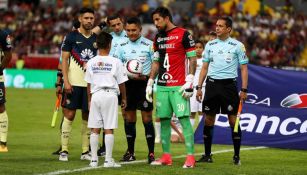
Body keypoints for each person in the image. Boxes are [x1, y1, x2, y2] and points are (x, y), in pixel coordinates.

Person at [146, 7, 197, 168]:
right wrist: (150, 81)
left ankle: (190, 157)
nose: (155, 23)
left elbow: (192, 59)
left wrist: (190, 79)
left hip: (179, 86)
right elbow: (156, 61)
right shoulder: (157, 37)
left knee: (184, 120)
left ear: (166, 18)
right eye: (154, 20)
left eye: (157, 20)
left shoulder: (184, 34)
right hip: (162, 87)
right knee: (164, 121)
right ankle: (167, 156)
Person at [196, 16, 248, 165]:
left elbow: (244, 69)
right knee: (208, 119)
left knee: (233, 121)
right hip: (212, 86)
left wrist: (244, 89)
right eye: (216, 25)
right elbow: (204, 67)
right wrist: (199, 87)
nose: (217, 28)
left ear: (228, 29)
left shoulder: (238, 46)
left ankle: (236, 156)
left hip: (229, 87)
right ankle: (207, 155)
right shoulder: (210, 45)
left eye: (220, 26)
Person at [113, 17, 155, 164]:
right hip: (128, 86)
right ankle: (130, 152)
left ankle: (151, 153)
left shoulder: (149, 45)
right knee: (129, 118)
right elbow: (117, 66)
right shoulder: (121, 45)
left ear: (140, 29)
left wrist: (148, 79)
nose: (131, 33)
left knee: (147, 119)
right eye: (128, 30)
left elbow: (156, 66)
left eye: (134, 30)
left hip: (144, 86)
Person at [59, 7, 97, 161]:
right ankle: (64, 150)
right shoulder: (71, 37)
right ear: (80, 19)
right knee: (69, 114)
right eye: (86, 18)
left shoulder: (96, 39)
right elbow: (64, 60)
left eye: (91, 18)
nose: (89, 21)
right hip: (73, 83)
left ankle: (85, 151)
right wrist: (65, 81)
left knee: (87, 117)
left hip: (90, 85)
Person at [85, 31, 128, 168]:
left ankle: (93, 160)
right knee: (109, 128)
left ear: (97, 45)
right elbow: (121, 82)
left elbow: (88, 83)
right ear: (110, 44)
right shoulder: (116, 61)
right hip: (110, 95)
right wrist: (124, 98)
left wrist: (89, 100)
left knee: (94, 128)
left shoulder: (91, 62)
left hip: (96, 95)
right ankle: (108, 160)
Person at [96, 13, 127, 157]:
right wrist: (102, 24)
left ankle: (130, 148)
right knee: (103, 114)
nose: (116, 27)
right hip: (108, 81)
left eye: (118, 24)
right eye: (113, 25)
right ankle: (103, 148)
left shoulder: (131, 36)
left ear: (123, 22)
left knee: (128, 115)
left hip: (125, 80)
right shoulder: (107, 38)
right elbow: (92, 38)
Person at [190, 33, 217, 128]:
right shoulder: (190, 60)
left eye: (200, 47)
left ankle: (201, 134)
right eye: (196, 47)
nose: (198, 49)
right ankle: (190, 134)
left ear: (203, 49)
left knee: (202, 112)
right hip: (192, 88)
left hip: (204, 88)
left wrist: (212, 40)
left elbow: (211, 47)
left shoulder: (206, 58)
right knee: (192, 112)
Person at [0, 29, 12, 152]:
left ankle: (3, 143)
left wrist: (0, 69)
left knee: (0, 107)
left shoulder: (2, 34)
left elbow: (8, 55)